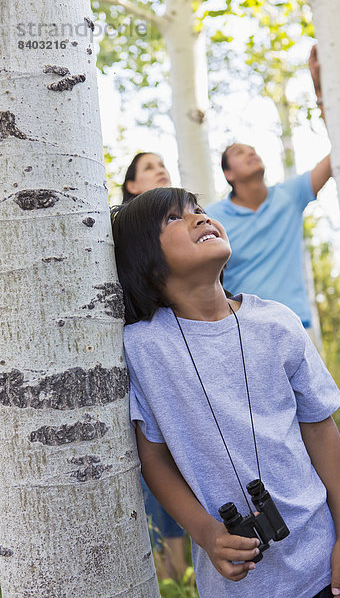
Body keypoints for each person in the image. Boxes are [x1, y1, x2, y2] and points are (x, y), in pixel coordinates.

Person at [111, 186, 340, 598]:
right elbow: (152, 455)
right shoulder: (142, 348)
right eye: (174, 218)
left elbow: (319, 427)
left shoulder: (277, 323)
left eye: (198, 209)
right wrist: (207, 533)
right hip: (237, 586)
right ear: (146, 262)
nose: (199, 217)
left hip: (321, 563)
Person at [206, 46, 329, 329]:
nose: (251, 153)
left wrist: (319, 90)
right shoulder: (212, 218)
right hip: (240, 329)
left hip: (296, 325)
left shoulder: (290, 195)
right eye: (240, 152)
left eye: (253, 150)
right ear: (228, 173)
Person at [119, 151, 188, 581]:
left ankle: (181, 572)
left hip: (179, 364)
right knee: (154, 465)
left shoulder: (181, 232)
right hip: (140, 365)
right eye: (148, 168)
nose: (159, 169)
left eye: (163, 164)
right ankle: (169, 575)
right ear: (130, 186)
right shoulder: (121, 238)